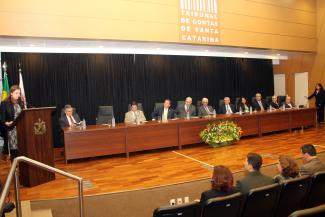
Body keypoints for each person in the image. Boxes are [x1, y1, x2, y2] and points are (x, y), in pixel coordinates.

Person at [0, 85, 25, 160]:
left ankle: (22, 168)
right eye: (16, 93)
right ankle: (13, 169)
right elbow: (2, 118)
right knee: (14, 152)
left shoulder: (20, 103)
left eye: (19, 93)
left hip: (21, 130)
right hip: (11, 130)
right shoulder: (4, 103)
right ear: (11, 93)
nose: (18, 95)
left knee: (22, 150)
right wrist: (6, 123)